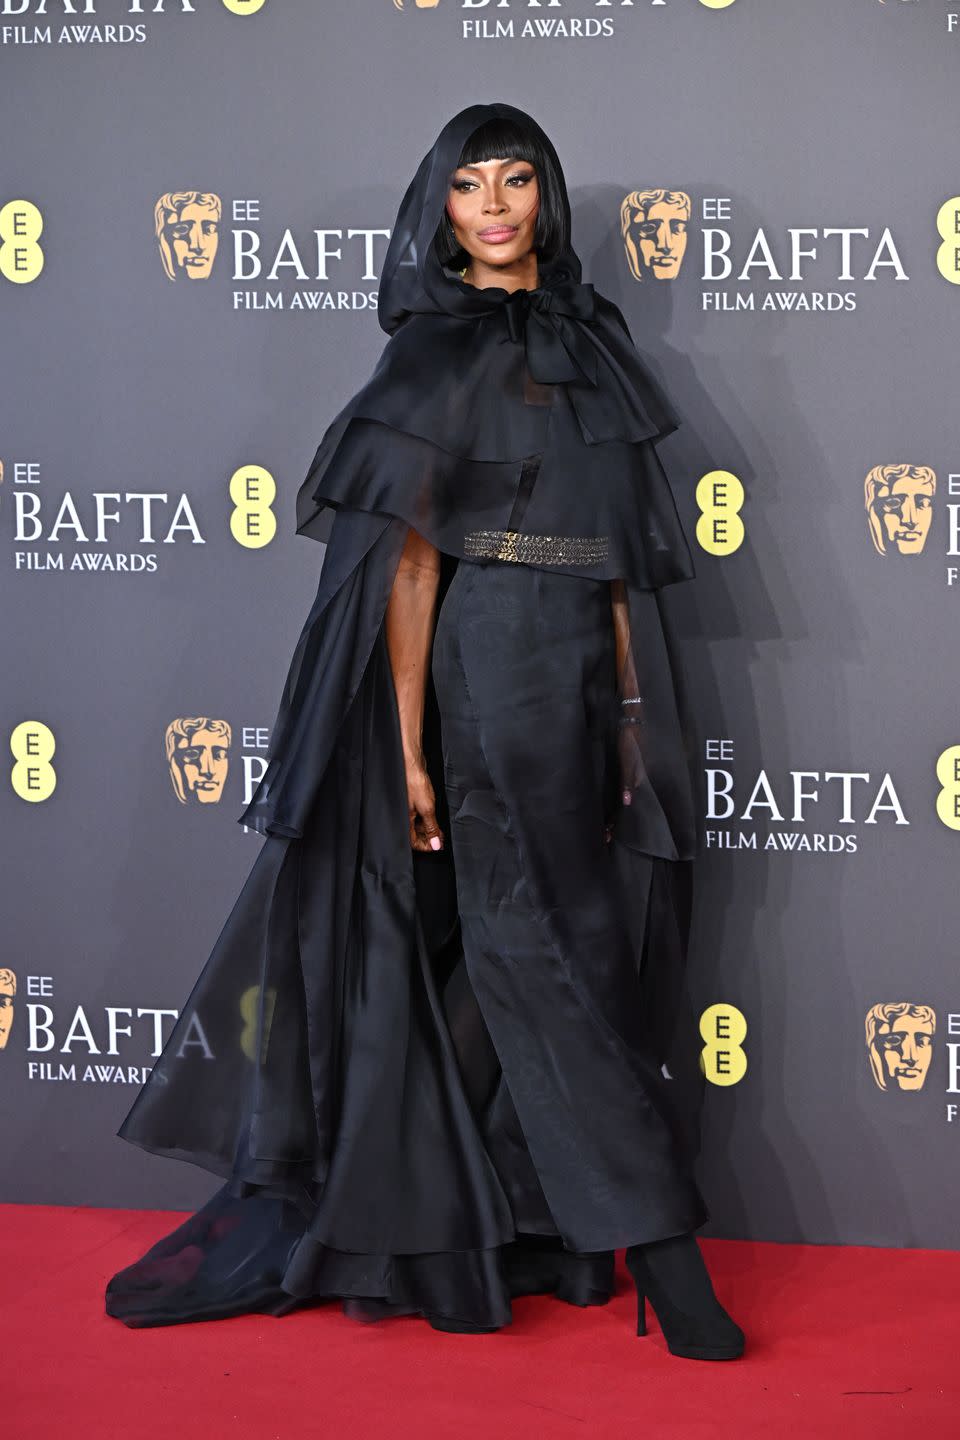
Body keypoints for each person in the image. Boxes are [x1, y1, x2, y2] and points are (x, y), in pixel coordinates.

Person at [104, 102, 744, 1361]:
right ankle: (668, 1253)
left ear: (545, 198)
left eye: (517, 181)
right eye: (469, 186)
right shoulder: (430, 358)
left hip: (580, 679)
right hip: (487, 671)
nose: (496, 206)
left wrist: (629, 714)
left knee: (567, 949)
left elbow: (621, 561)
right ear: (437, 208)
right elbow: (406, 574)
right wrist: (403, 744)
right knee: (537, 951)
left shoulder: (593, 342)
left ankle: (461, 1219)